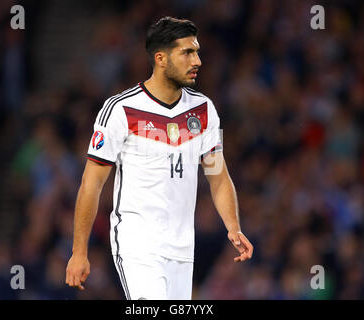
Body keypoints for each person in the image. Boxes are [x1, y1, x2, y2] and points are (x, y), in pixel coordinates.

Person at [65, 16, 253, 300]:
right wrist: (79, 251)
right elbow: (91, 184)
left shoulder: (204, 110)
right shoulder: (121, 110)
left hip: (182, 249)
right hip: (137, 244)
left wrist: (233, 227)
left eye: (197, 51)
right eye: (187, 52)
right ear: (161, 58)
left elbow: (218, 177)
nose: (197, 61)